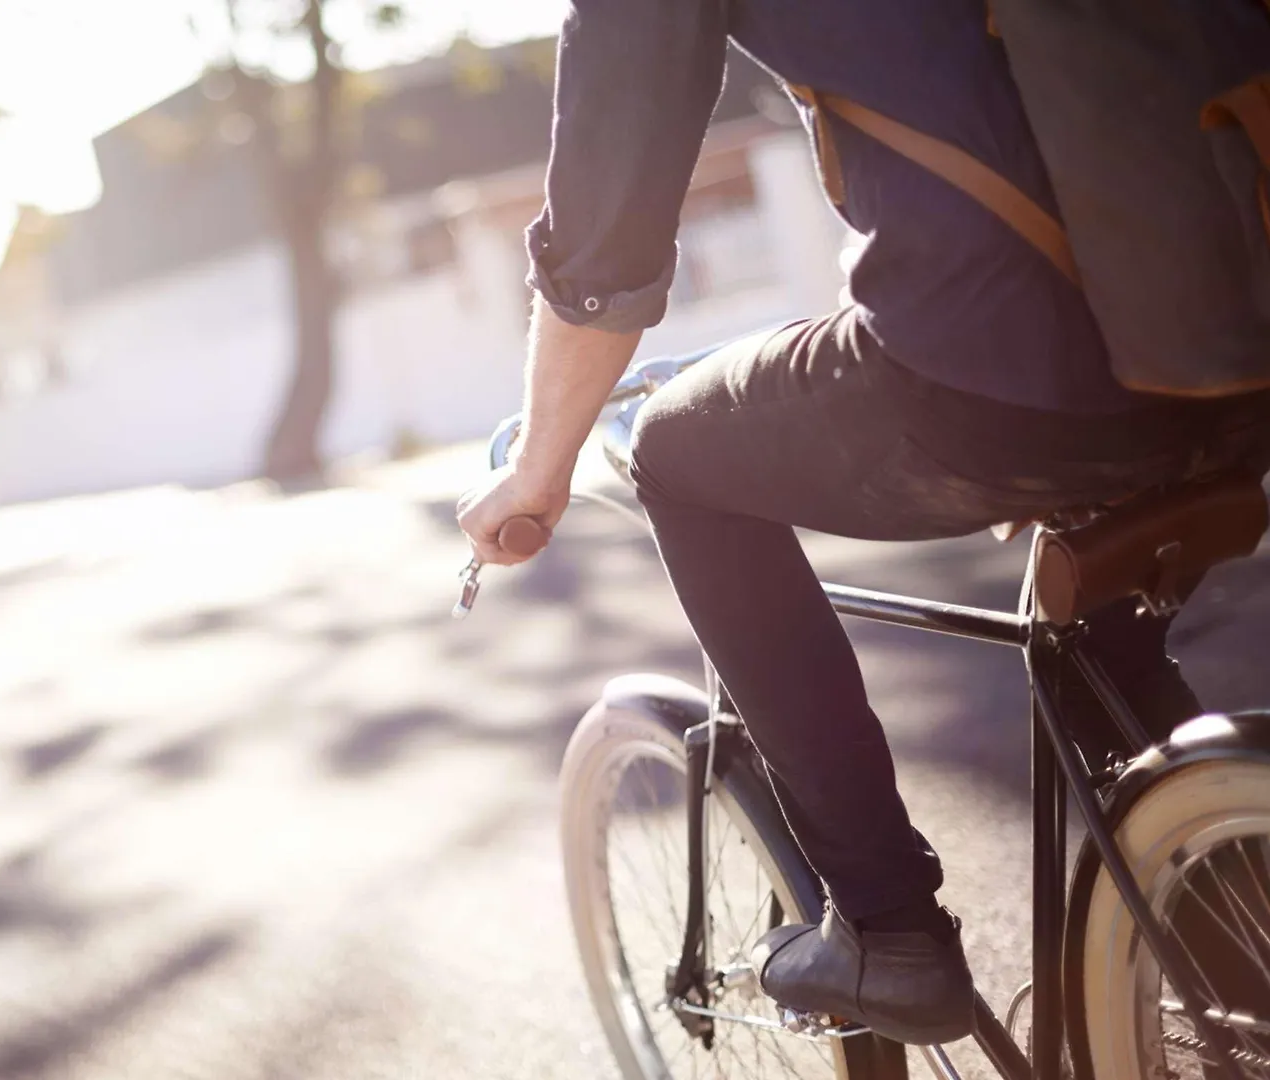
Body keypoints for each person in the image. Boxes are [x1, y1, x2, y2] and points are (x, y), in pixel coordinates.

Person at [455, 0, 1270, 1046]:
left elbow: (607, 234)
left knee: (678, 456)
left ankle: (889, 932)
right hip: (1228, 339)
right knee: (1103, 635)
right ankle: (1234, 963)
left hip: (1016, 359)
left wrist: (538, 464)